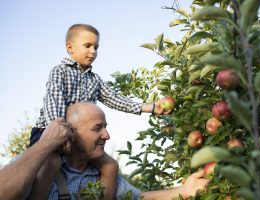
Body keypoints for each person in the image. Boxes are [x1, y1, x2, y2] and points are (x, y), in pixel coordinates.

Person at [29, 24, 170, 200]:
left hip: (80, 136)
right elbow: (54, 101)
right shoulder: (60, 71)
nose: (93, 51)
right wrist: (58, 134)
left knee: (110, 166)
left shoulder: (94, 79)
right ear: (70, 48)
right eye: (87, 46)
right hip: (49, 130)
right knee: (51, 163)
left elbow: (114, 99)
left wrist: (151, 107)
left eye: (96, 47)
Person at [0, 102, 210, 200]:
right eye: (97, 128)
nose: (107, 135)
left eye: (105, 127)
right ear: (69, 135)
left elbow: (140, 198)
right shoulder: (40, 166)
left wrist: (182, 191)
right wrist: (45, 144)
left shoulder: (100, 174)